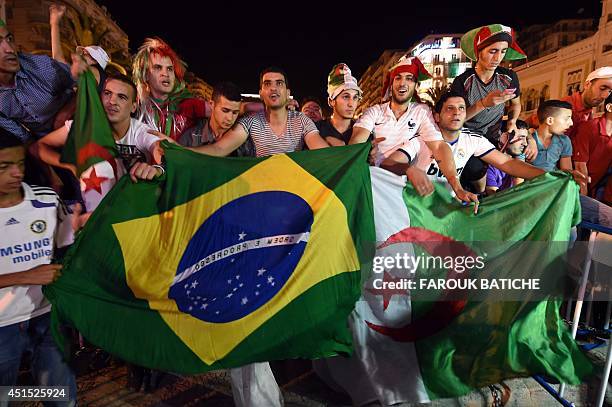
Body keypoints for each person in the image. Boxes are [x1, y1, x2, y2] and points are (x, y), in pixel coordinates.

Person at [0, 132, 77, 406]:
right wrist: (26, 276)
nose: (16, 172)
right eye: (4, 166)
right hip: (3, 326)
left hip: (46, 318)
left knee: (60, 396)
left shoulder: (45, 200)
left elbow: (68, 245)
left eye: (20, 163)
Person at [349, 56, 478, 204]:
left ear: (416, 85)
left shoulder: (422, 111)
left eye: (409, 78)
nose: (402, 83)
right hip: (375, 183)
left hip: (407, 190)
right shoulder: (374, 111)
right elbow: (357, 140)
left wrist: (457, 187)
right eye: (398, 78)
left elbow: (439, 146)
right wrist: (365, 150)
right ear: (391, 84)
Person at [381, 92, 546, 197]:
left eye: (461, 108)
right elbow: (388, 163)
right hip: (418, 208)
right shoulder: (421, 139)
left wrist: (547, 175)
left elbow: (508, 163)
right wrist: (410, 170)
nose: (457, 112)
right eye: (449, 109)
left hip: (449, 208)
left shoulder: (473, 139)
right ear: (437, 117)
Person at [451, 24, 531, 193]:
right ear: (479, 51)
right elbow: (456, 119)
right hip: (464, 136)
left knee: (518, 158)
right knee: (473, 168)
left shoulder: (509, 77)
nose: (498, 58)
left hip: (493, 137)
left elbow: (515, 104)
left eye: (503, 52)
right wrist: (483, 104)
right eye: (493, 51)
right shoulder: (463, 81)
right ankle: (478, 195)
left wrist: (512, 123)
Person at [189, 66, 329, 158]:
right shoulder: (250, 122)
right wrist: (177, 152)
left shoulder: (302, 121)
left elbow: (325, 154)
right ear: (261, 94)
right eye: (267, 84)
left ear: (287, 93)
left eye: (279, 83)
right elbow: (219, 149)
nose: (273, 88)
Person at [0, 18, 84, 142]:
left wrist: (66, 112)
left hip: (79, 120)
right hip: (48, 141)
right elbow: (24, 138)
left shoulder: (39, 66)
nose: (10, 49)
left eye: (10, 39)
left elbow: (87, 84)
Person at [132, 38, 207, 141]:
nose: (165, 74)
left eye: (169, 69)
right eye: (158, 67)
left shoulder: (189, 104)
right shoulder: (135, 105)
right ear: (145, 75)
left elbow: (223, 111)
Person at [572, 92, 612, 205]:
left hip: (603, 190)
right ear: (609, 107)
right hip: (583, 187)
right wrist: (583, 202)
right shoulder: (589, 127)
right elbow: (580, 166)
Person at [179, 81, 242, 148]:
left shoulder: (242, 141)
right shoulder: (190, 138)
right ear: (212, 105)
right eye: (225, 111)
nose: (230, 118)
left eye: (235, 112)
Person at [316, 63, 362, 146]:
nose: (351, 104)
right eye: (346, 97)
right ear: (331, 101)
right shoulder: (315, 130)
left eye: (355, 97)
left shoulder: (363, 131)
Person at [562, 66, 612, 139]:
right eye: (602, 88)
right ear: (587, 84)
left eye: (610, 91)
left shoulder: (589, 114)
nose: (605, 96)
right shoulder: (562, 107)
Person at [486, 120, 530, 195]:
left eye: (526, 139)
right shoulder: (489, 165)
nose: (525, 143)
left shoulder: (517, 158)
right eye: (521, 138)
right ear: (504, 138)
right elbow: (493, 197)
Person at [529, 100, 574, 172]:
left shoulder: (564, 140)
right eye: (567, 119)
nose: (571, 123)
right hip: (530, 181)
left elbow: (566, 172)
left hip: (553, 181)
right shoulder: (527, 138)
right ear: (550, 120)